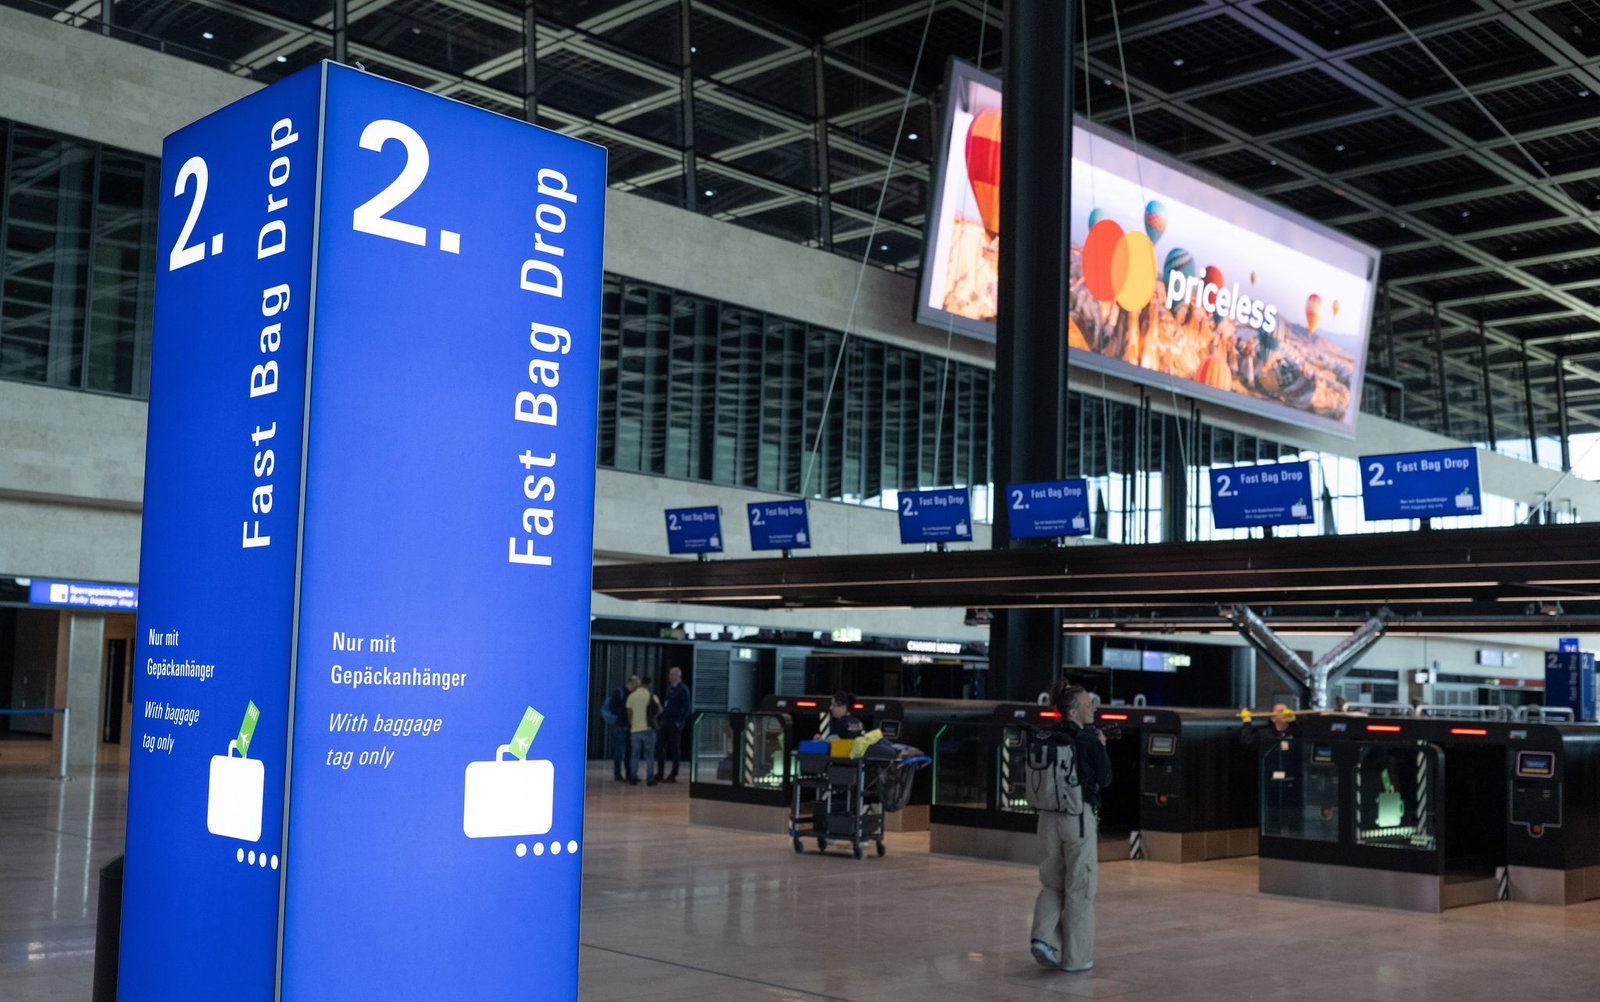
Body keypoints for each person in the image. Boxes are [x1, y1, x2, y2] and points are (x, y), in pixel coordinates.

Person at [1029, 683, 1111, 975]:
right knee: (1080, 888)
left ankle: (1042, 938)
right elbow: (1104, 777)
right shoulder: (1087, 740)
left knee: (1052, 882)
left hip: (1047, 819)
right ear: (1074, 711)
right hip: (1077, 819)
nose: (1094, 708)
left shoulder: (1048, 734)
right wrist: (1100, 747)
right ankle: (1076, 959)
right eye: (1089, 704)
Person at [656, 666, 692, 783]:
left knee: (674, 748)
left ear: (678, 676)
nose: (670, 677)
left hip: (675, 723)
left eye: (673, 675)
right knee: (660, 746)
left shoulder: (683, 689)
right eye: (670, 674)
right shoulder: (669, 688)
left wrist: (679, 721)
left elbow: (687, 708)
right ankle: (660, 772)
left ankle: (673, 774)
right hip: (666, 721)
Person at [625, 675, 660, 786]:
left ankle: (633, 778)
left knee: (634, 755)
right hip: (649, 729)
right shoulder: (652, 696)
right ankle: (650, 779)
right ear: (649, 684)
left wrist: (632, 723)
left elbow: (629, 713)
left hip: (635, 730)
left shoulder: (632, 696)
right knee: (649, 755)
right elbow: (659, 709)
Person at [604, 676, 636, 781]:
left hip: (630, 727)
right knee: (619, 751)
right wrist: (626, 713)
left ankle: (629, 774)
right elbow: (613, 708)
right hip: (620, 726)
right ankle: (617, 775)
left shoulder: (633, 695)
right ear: (631, 683)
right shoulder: (619, 693)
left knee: (629, 752)